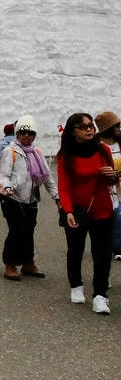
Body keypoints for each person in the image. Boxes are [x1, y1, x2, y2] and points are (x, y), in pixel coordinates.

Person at [56, 112, 120, 314]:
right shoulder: (66, 155)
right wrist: (67, 211)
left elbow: (112, 180)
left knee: (101, 253)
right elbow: (64, 187)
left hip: (102, 208)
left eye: (90, 125)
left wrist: (113, 175)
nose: (89, 129)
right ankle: (76, 284)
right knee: (76, 249)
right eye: (83, 127)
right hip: (76, 210)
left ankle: (100, 295)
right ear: (72, 131)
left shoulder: (102, 150)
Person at [0, 115, 57, 280]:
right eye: (23, 132)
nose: (26, 136)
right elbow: (4, 175)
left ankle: (28, 263)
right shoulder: (10, 151)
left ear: (34, 135)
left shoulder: (36, 152)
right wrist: (7, 187)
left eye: (30, 133)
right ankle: (10, 264)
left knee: (29, 230)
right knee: (16, 230)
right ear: (17, 133)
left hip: (30, 198)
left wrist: (57, 197)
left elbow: (47, 177)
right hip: (12, 198)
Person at [95, 110, 121, 261]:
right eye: (116, 125)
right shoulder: (97, 146)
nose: (119, 128)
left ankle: (117, 247)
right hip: (105, 189)